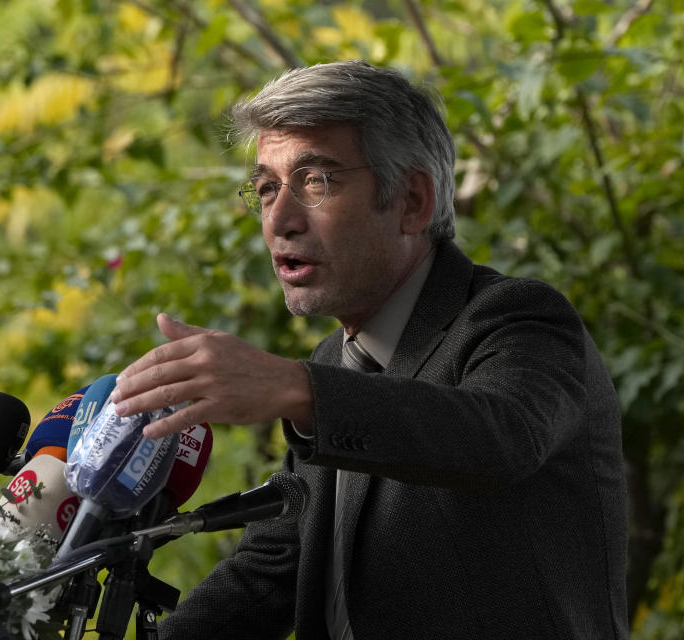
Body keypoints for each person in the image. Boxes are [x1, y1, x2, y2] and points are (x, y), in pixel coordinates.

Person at [108, 60, 628, 639]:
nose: (279, 218)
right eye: (266, 188)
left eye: (315, 181)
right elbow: (267, 574)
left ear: (411, 201)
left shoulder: (518, 318)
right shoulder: (333, 366)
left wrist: (298, 391)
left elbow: (500, 439)